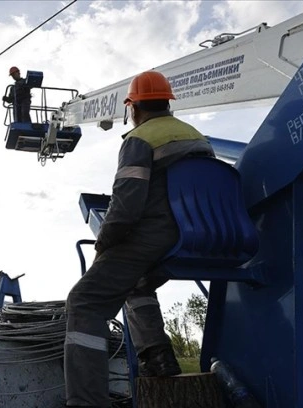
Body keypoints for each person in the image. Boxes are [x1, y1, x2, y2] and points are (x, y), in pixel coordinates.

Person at [64, 71, 216, 408]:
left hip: (159, 235)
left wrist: (104, 243)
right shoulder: (197, 137)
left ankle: (86, 401)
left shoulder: (140, 139)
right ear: (167, 102)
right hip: (203, 236)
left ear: (132, 107)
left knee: (84, 301)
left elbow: (126, 208)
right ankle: (158, 355)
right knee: (136, 283)